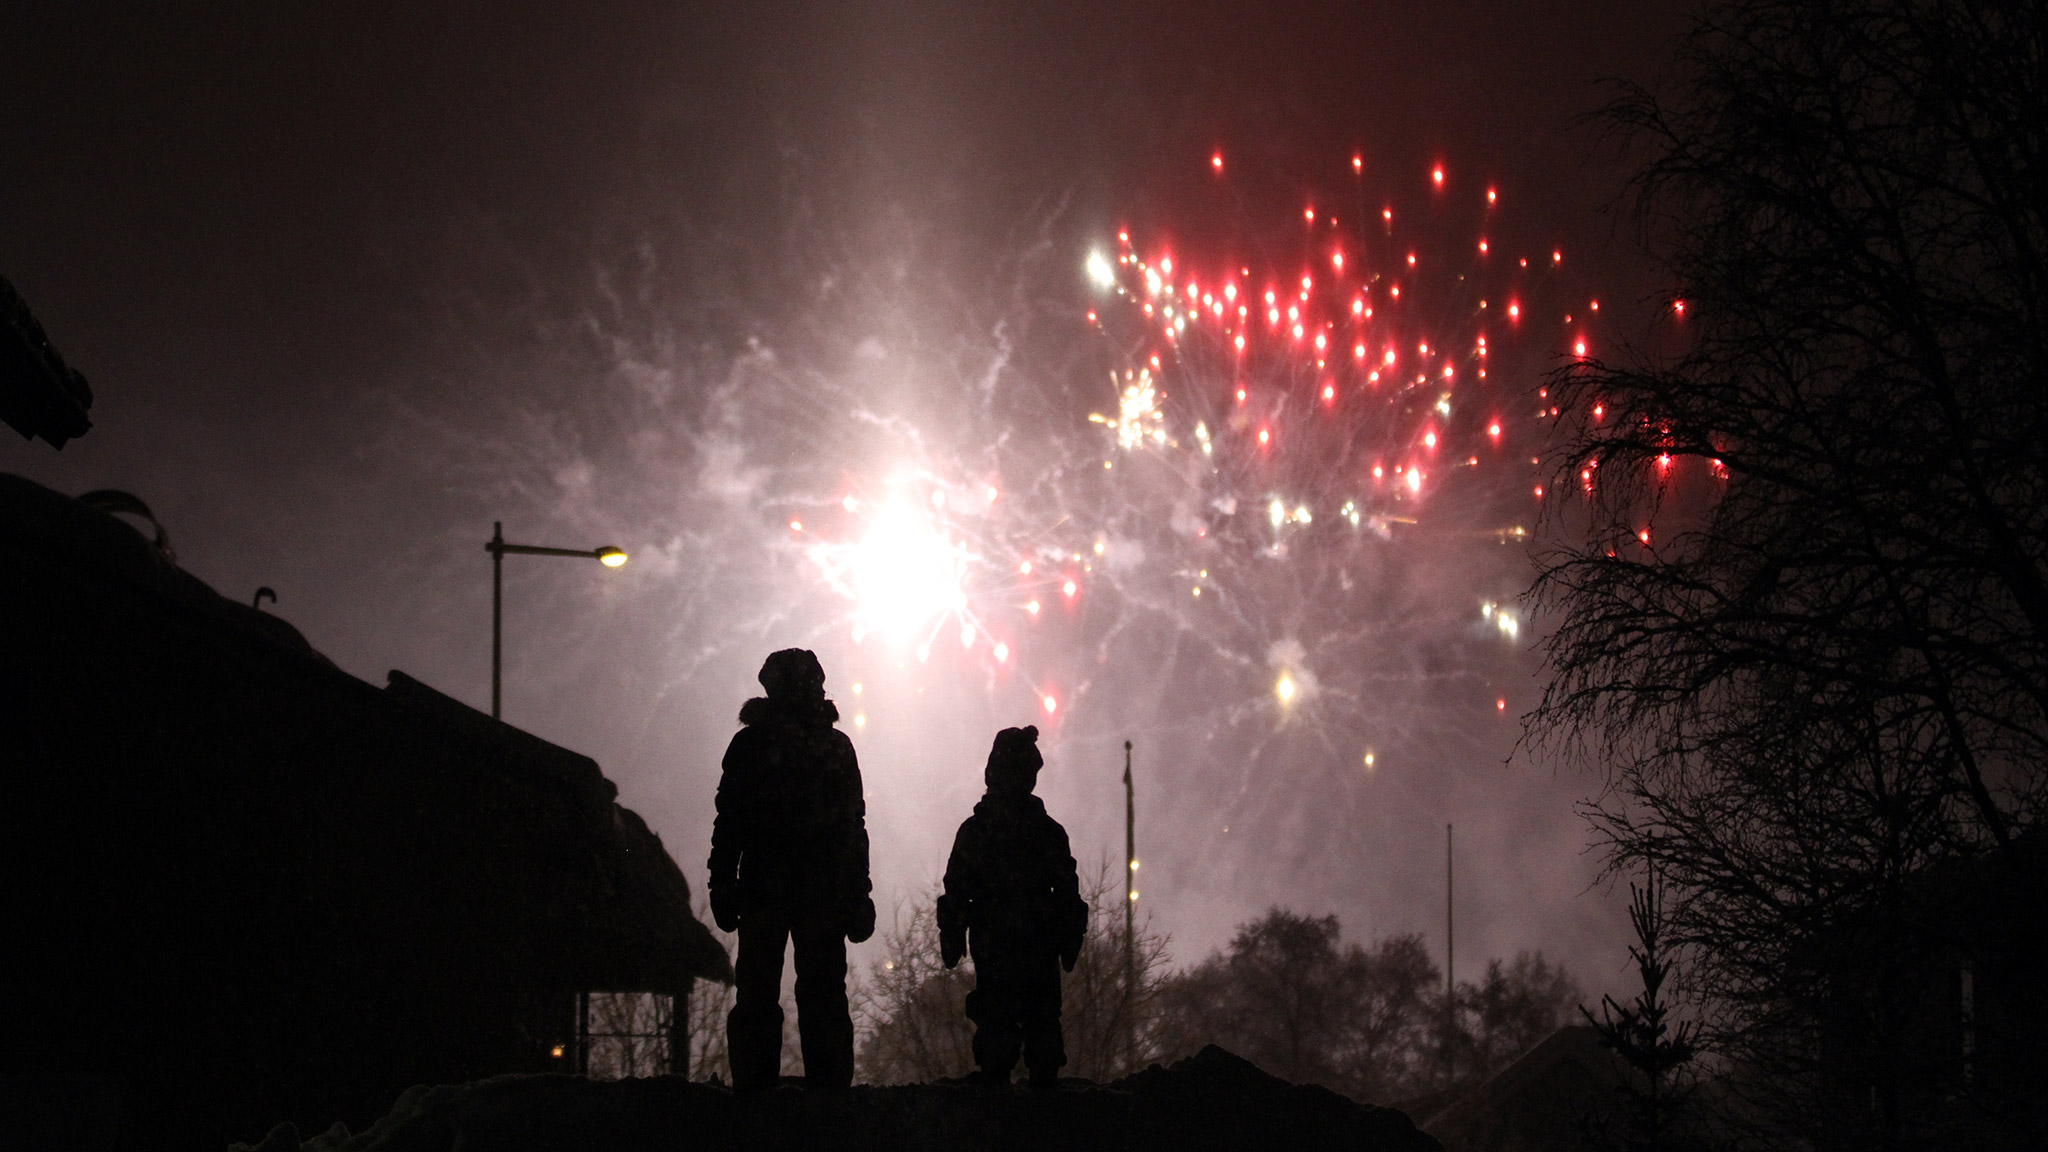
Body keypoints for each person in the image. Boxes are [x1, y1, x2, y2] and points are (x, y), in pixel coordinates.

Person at [707, 649, 874, 1092]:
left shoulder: (754, 746)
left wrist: (722, 881)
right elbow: (850, 828)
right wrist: (857, 893)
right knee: (811, 996)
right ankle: (821, 1096)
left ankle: (760, 1094)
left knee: (768, 996)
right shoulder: (832, 748)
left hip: (770, 888)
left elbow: (730, 823)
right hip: (809, 891)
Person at [937, 725, 1087, 1089]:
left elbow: (956, 890)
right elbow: (1067, 895)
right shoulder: (1045, 832)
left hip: (1000, 947)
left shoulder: (978, 832)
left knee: (1007, 1038)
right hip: (1026, 947)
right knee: (1031, 1038)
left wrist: (955, 933)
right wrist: (1067, 937)